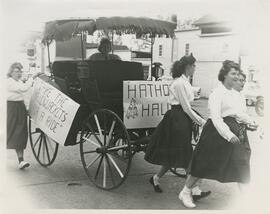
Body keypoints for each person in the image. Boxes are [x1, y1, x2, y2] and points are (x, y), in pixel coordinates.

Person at [179, 60, 257, 208]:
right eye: (233, 73)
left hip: (236, 132)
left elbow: (239, 114)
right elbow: (216, 118)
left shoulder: (236, 94)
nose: (236, 76)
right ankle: (185, 191)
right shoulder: (217, 93)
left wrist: (250, 122)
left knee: (241, 164)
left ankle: (248, 201)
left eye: (237, 73)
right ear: (225, 75)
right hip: (216, 132)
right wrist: (228, 134)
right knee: (204, 164)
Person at [144, 54, 209, 199]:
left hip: (182, 118)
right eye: (194, 66)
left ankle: (155, 178)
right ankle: (195, 189)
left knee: (174, 153)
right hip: (176, 119)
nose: (195, 68)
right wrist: (201, 121)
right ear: (187, 67)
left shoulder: (185, 82)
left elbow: (188, 103)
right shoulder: (179, 83)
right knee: (185, 152)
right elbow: (186, 107)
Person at [7, 62, 40, 169]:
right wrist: (32, 78)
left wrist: (26, 108)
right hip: (10, 109)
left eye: (20, 71)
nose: (19, 73)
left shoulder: (19, 81)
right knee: (8, 132)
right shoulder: (9, 82)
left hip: (20, 108)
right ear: (11, 72)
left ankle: (21, 160)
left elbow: (24, 94)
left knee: (20, 134)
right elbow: (23, 89)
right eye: (16, 71)